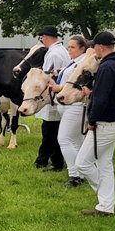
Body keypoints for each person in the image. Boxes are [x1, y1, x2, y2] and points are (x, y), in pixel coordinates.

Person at [75, 31, 115, 217]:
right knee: (104, 163)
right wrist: (93, 93)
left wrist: (92, 119)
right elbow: (110, 93)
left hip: (105, 122)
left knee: (82, 163)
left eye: (94, 46)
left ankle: (107, 191)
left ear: (100, 47)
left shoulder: (106, 68)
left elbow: (103, 98)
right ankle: (106, 206)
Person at [53, 35, 89, 186]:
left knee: (64, 139)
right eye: (68, 47)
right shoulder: (73, 63)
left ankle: (75, 174)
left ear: (83, 49)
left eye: (73, 47)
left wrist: (59, 88)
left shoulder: (82, 64)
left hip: (75, 105)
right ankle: (82, 173)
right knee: (75, 140)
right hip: (67, 105)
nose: (69, 50)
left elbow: (78, 85)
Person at [34, 26, 68, 172]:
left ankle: (48, 161)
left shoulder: (53, 53)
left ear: (46, 37)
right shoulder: (62, 51)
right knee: (54, 130)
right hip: (59, 94)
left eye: (42, 37)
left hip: (52, 95)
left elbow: (45, 77)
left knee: (49, 131)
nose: (42, 40)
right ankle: (53, 160)